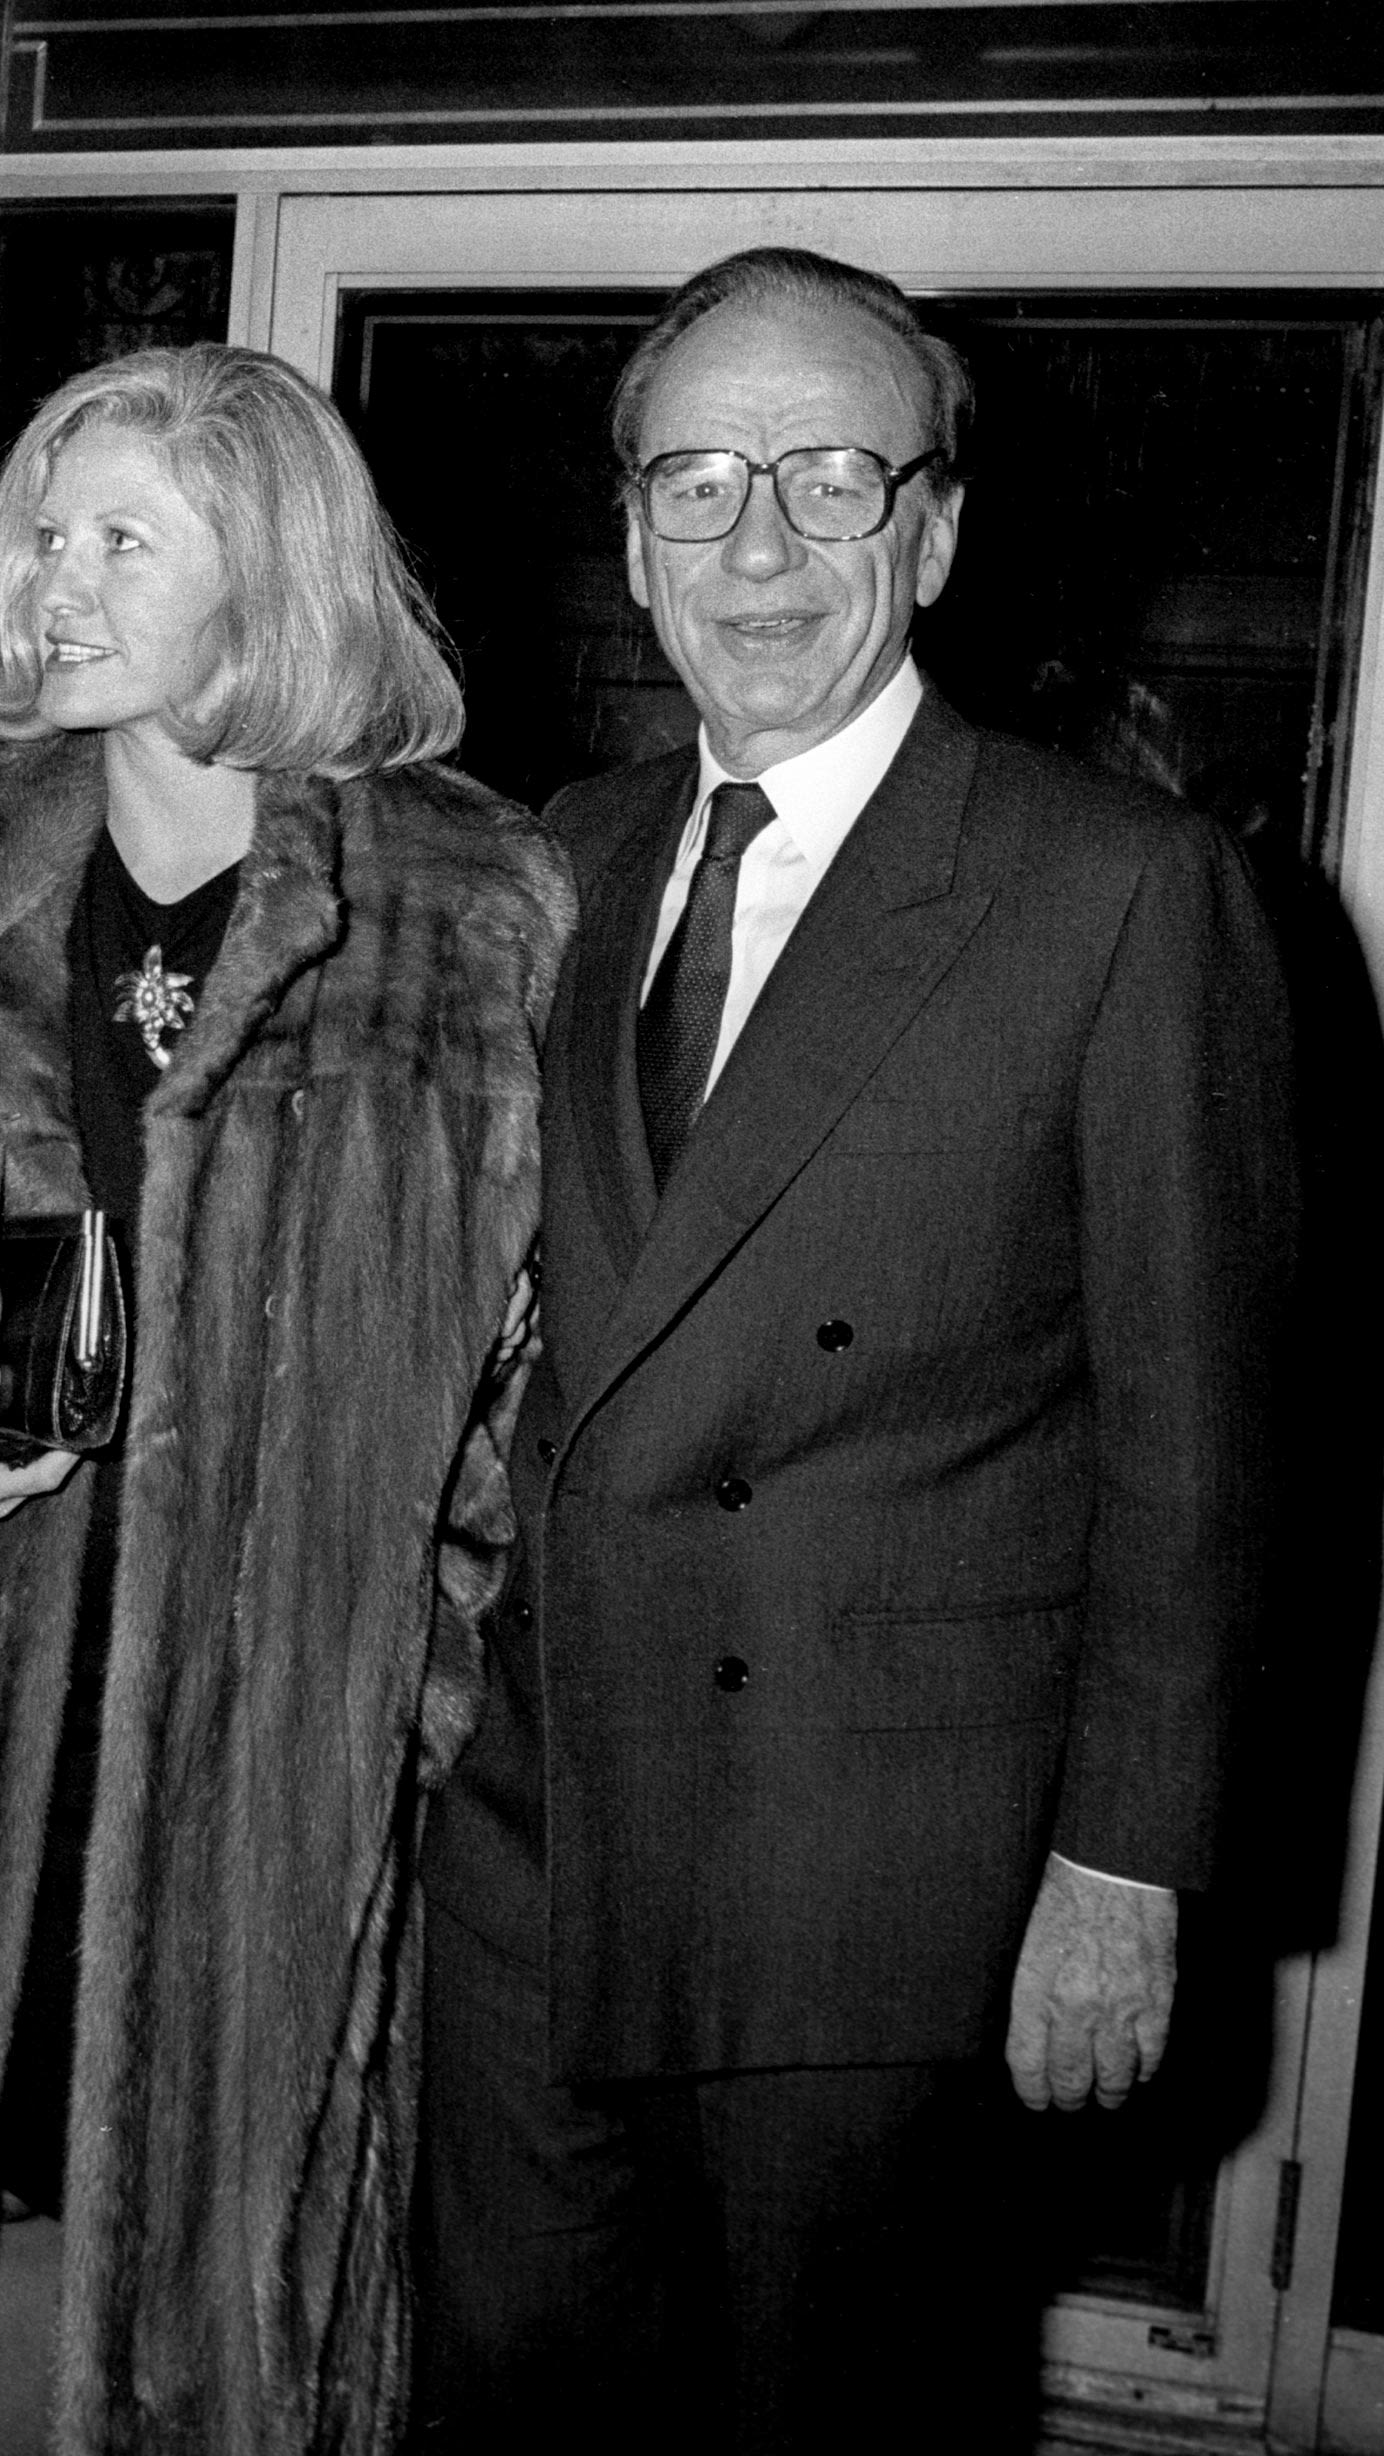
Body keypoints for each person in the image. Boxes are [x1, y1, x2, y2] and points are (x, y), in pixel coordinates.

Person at [417, 247, 1299, 2453]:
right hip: (541, 1842)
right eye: (700, 483)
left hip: (882, 1881)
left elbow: (1212, 1449)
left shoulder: (1119, 888)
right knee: (515, 2409)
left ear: (935, 527)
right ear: (628, 539)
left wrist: (1126, 1871)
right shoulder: (567, 856)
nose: (761, 546)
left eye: (828, 477)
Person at [0, 343, 570, 2454]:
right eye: (43, 524)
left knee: (235, 2274)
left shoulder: (472, 905)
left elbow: (523, 1364)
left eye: (123, 533)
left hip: (276, 1713)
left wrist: (410, 1684)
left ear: (275, 573)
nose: (55, 574)